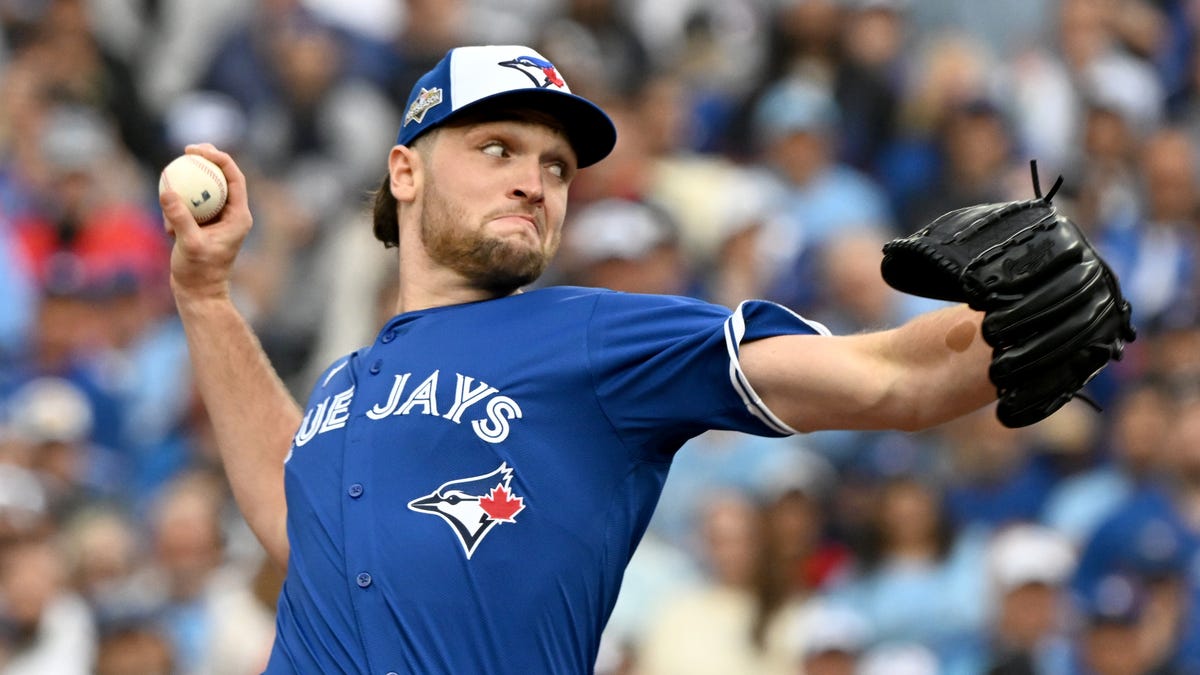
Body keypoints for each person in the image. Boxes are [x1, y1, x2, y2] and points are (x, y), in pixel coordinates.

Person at [160, 44, 1039, 674]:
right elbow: (296, 515)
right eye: (497, 148)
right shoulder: (348, 385)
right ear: (404, 171)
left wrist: (1014, 314)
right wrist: (205, 297)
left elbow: (890, 375)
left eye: (556, 166)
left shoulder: (595, 338)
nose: (533, 181)